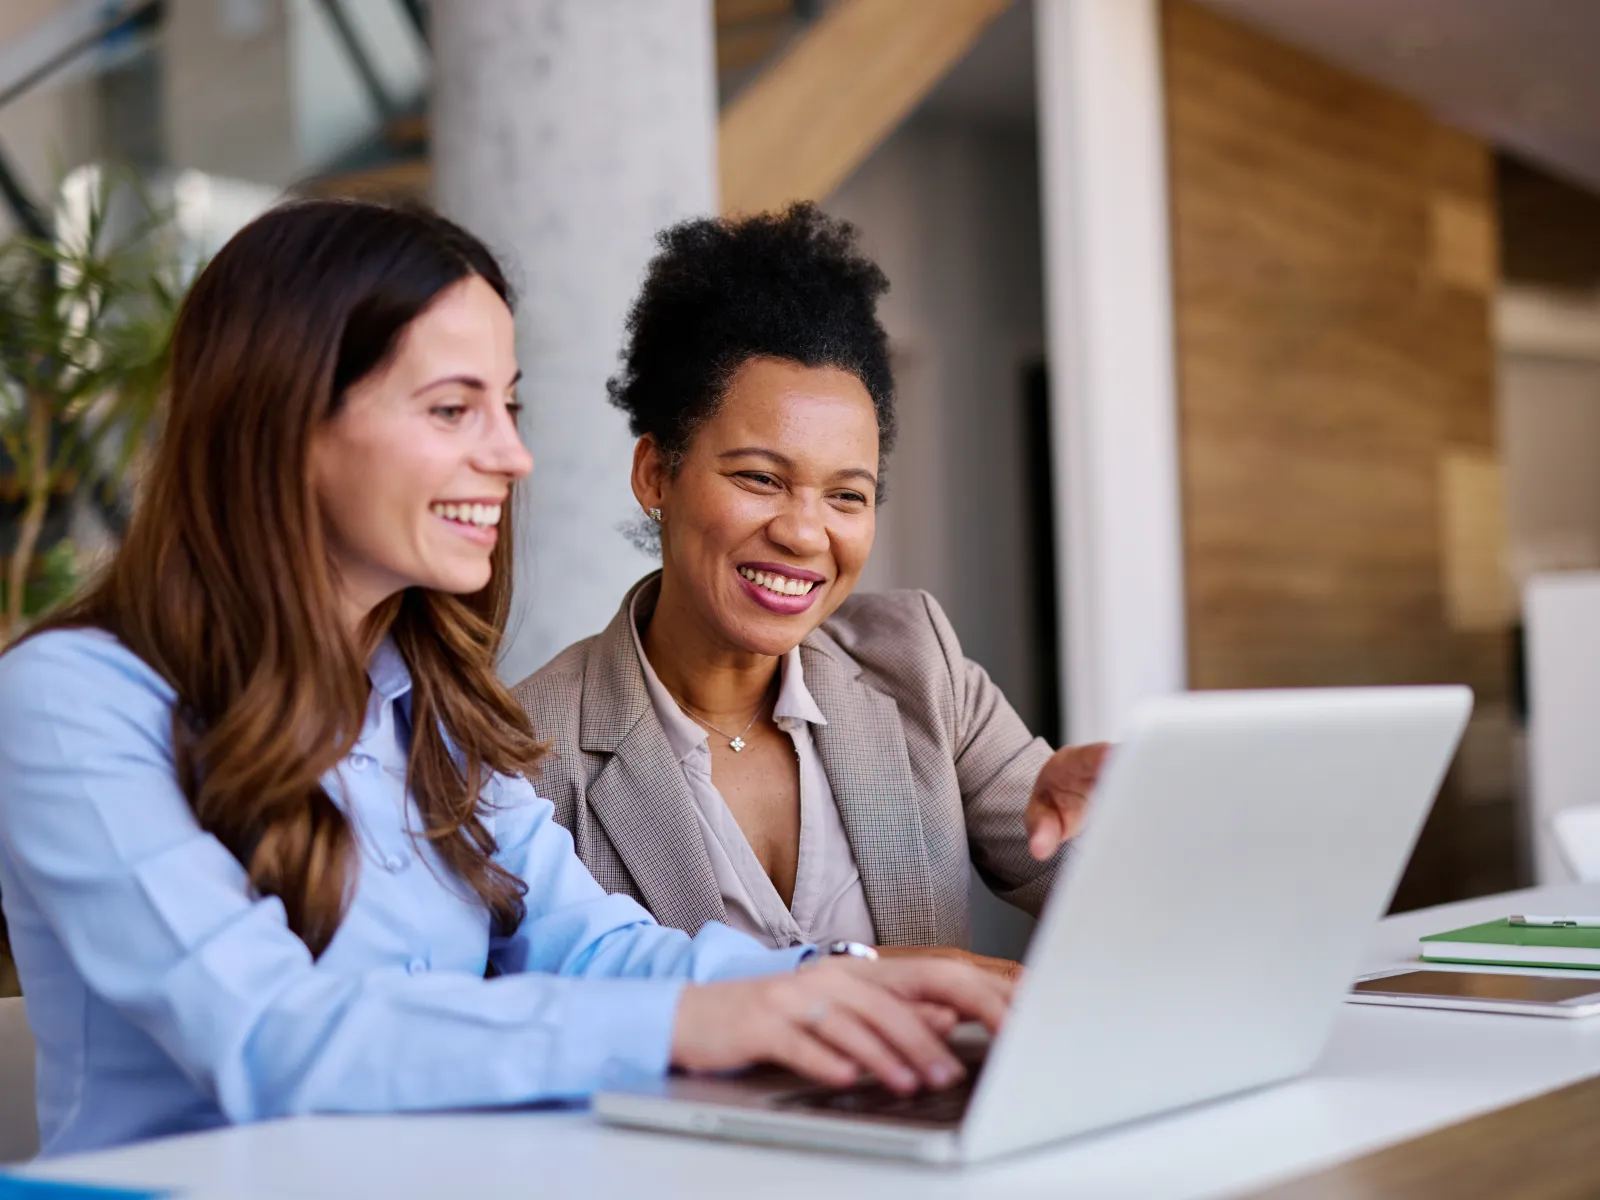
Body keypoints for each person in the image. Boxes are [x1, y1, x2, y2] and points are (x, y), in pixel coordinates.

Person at [0, 200, 1010, 1157]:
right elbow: (269, 1036)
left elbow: (595, 948)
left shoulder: (428, 713)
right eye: (453, 409)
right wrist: (689, 1021)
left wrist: (845, 983)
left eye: (508, 407)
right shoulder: (72, 702)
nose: (514, 455)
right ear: (285, 421)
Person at [514, 205, 1108, 972]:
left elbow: (1123, 899)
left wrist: (1117, 831)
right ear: (655, 474)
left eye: (847, 496)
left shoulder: (919, 671)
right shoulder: (531, 752)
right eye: (761, 478)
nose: (805, 532)